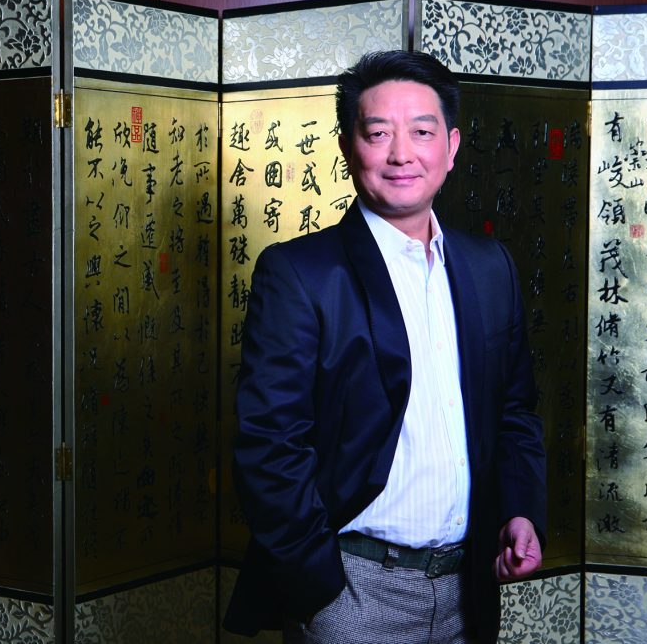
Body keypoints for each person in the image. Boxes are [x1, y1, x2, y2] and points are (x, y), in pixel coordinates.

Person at [223, 50, 546, 643]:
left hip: (468, 585)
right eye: (378, 133)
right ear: (349, 148)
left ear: (451, 147)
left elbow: (515, 410)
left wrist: (521, 510)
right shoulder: (300, 273)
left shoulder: (488, 266)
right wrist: (320, 589)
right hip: (353, 587)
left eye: (422, 132)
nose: (402, 154)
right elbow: (269, 443)